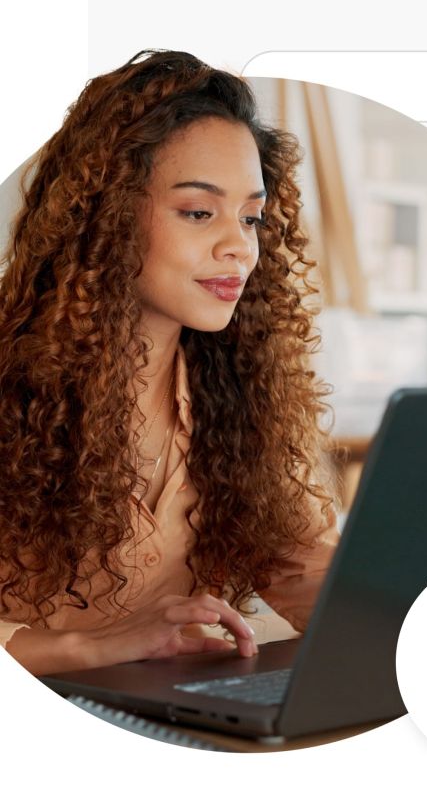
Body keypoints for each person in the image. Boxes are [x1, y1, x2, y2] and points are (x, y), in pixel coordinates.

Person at [0, 50, 340, 677]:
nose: (239, 245)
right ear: (106, 214)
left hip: (174, 718)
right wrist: (88, 649)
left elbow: (310, 574)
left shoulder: (241, 396)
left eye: (251, 217)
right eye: (197, 212)